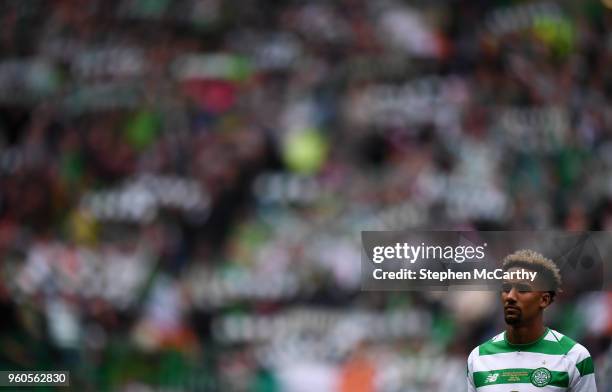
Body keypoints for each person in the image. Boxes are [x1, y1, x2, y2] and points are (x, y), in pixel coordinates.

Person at [467, 249, 597, 391]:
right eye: (506, 288)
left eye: (522, 289)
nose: (510, 296)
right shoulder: (478, 358)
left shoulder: (575, 357)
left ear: (544, 299)